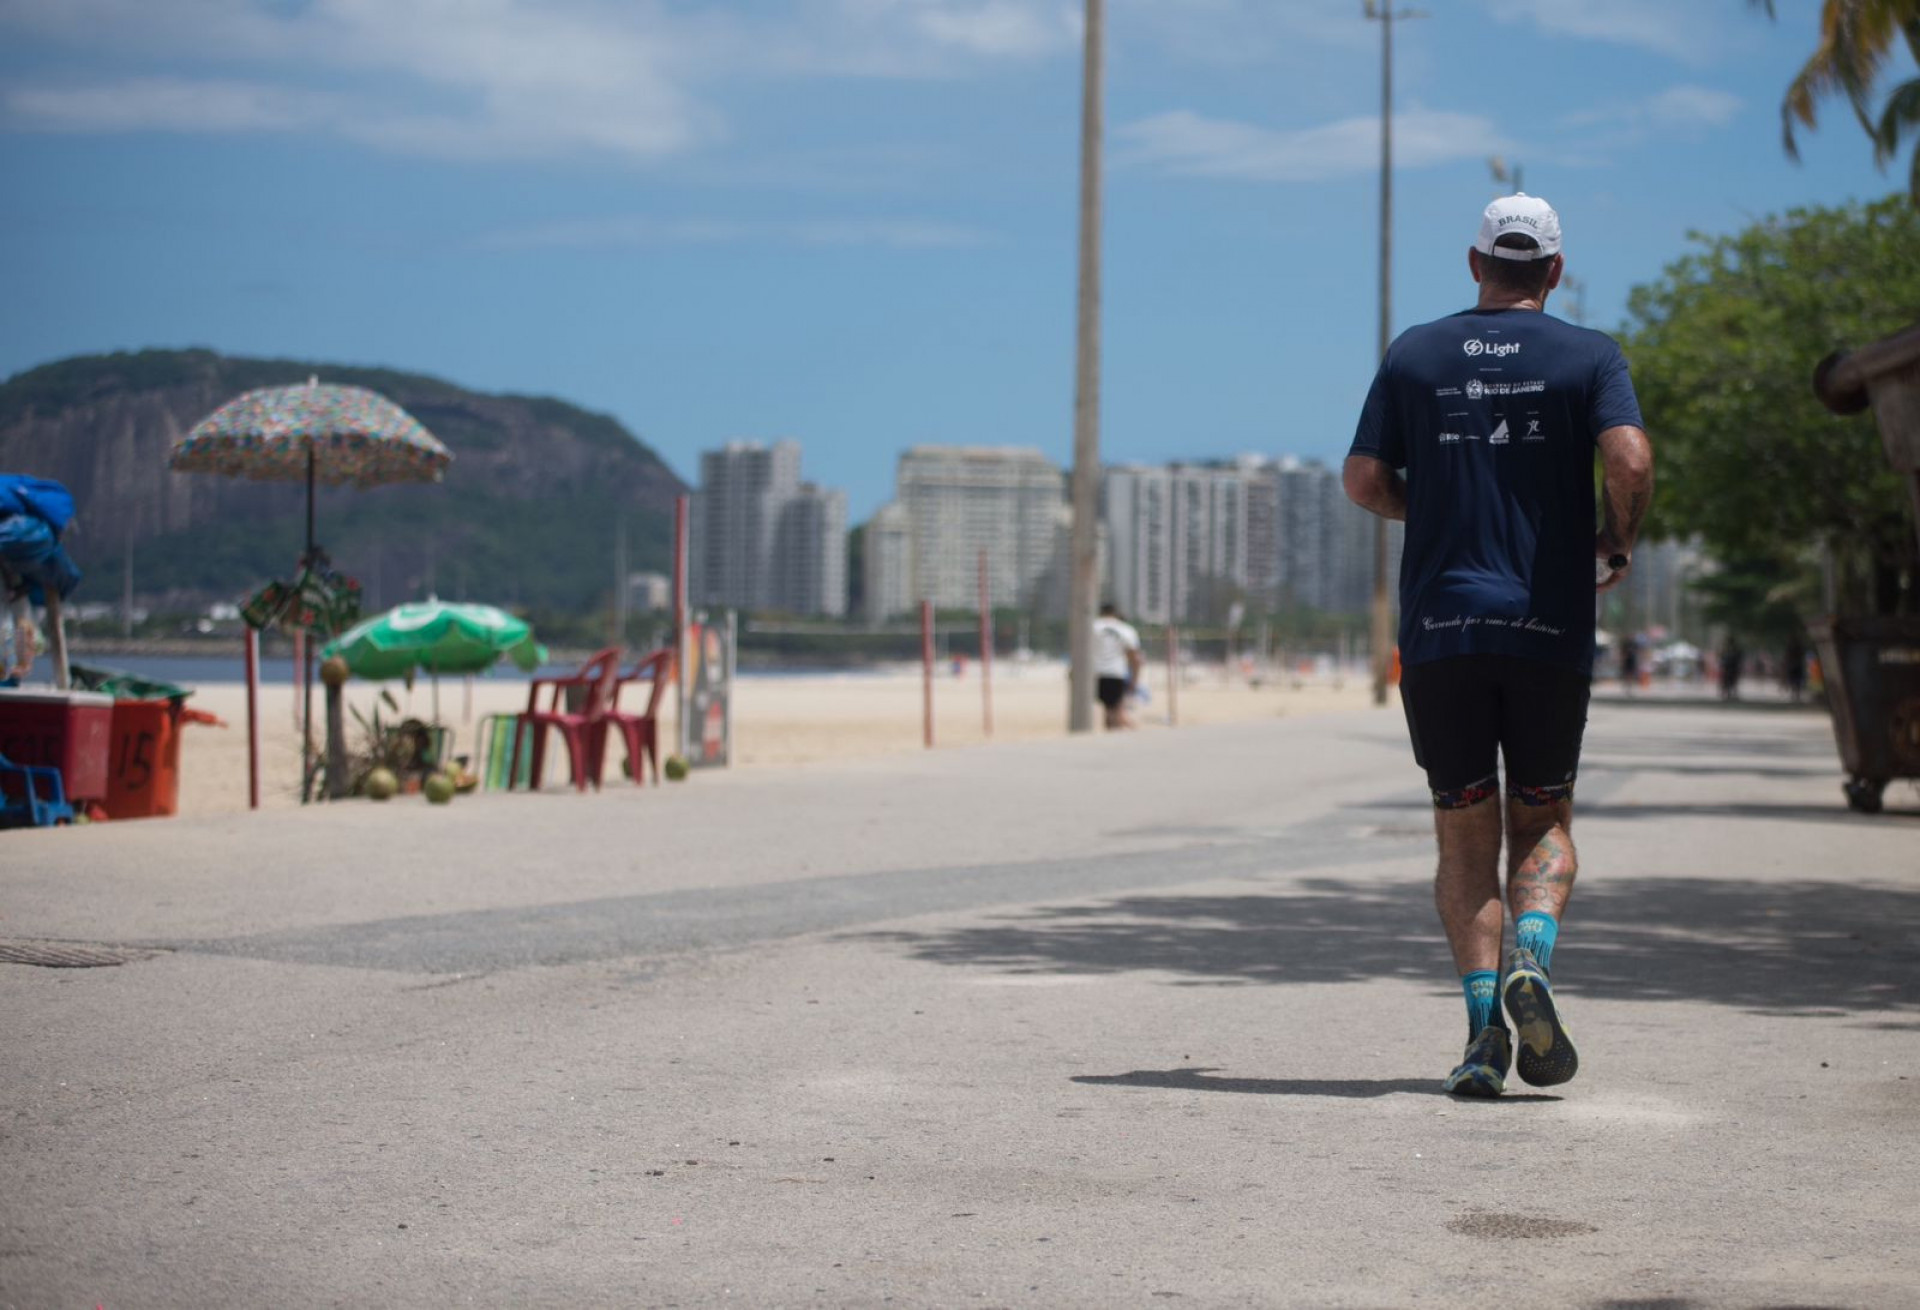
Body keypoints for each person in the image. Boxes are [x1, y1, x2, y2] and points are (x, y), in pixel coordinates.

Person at [1343, 193, 1655, 1097]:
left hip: (1440, 634)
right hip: (1546, 630)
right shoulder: (1590, 356)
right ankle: (1534, 963)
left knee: (1463, 835)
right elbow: (1629, 458)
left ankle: (1484, 1037)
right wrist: (1615, 538)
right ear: (1554, 272)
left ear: (1474, 262)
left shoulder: (1415, 352)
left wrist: (1428, 506)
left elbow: (1364, 480)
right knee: (1545, 823)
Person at [1092, 603, 1144, 730]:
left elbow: (1080, 651)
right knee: (1116, 709)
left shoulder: (1092, 626)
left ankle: (1111, 734)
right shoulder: (1126, 629)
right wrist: (1135, 680)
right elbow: (1135, 658)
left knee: (1109, 710)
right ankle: (1118, 736)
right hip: (1116, 673)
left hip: (1094, 673)